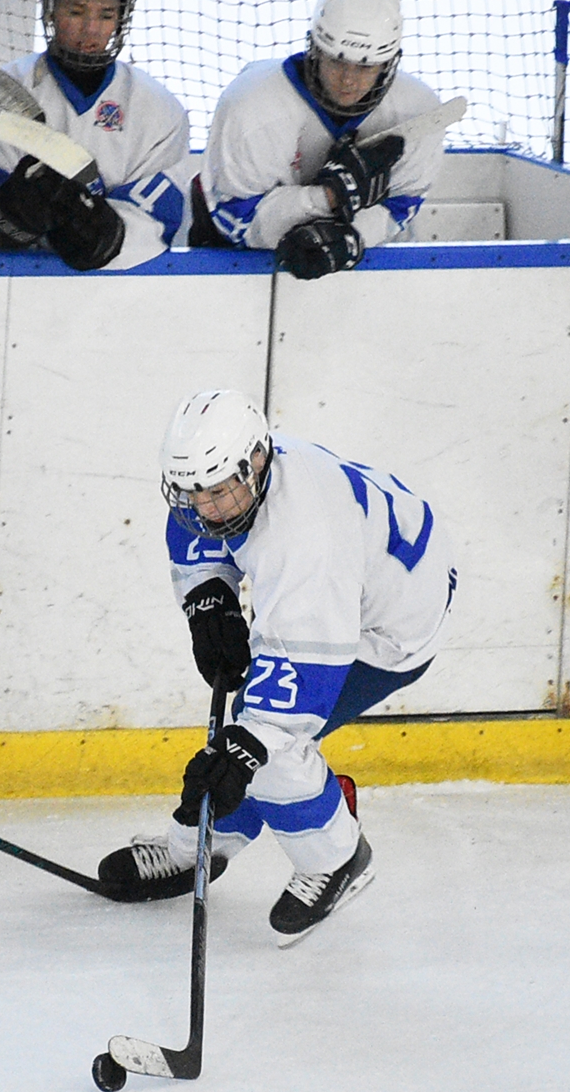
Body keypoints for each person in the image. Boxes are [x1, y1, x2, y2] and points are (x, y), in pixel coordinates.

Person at [97, 389, 457, 947]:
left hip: (388, 627)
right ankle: (205, 842)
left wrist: (245, 752)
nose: (205, 507)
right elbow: (197, 527)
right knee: (247, 738)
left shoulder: (306, 543)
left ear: (258, 462)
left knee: (266, 750)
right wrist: (209, 598)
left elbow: (291, 698)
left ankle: (337, 858)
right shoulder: (234, 471)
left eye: (217, 492)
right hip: (363, 573)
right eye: (193, 492)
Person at [0, 0, 191, 273]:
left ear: (122, 17)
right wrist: (11, 212)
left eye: (106, 14)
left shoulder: (158, 109)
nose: (91, 29)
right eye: (76, 11)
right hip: (6, 287)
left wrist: (103, 232)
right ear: (50, 8)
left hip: (120, 294)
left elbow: (156, 225)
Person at [189, 0, 449, 279]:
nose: (348, 80)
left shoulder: (416, 110)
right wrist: (330, 197)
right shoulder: (251, 105)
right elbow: (235, 219)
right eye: (337, 61)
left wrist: (352, 238)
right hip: (239, 264)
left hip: (363, 266)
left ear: (388, 63)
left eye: (365, 66)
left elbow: (403, 204)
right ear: (314, 48)